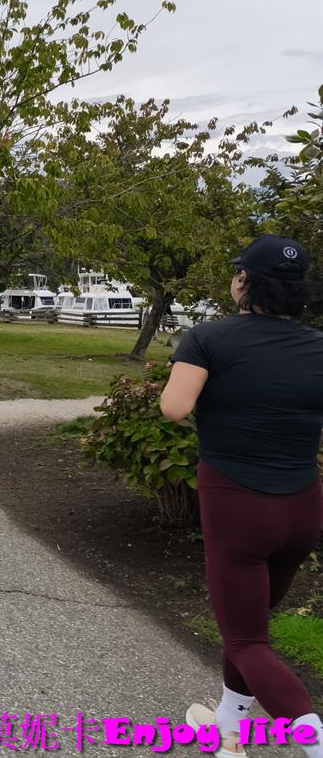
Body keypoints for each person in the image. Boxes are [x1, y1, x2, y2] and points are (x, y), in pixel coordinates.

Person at [162, 234, 323, 757]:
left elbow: (175, 407)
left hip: (237, 502)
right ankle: (227, 729)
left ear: (243, 281)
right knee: (246, 628)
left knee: (249, 641)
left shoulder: (209, 338)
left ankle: (314, 741)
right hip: (303, 505)